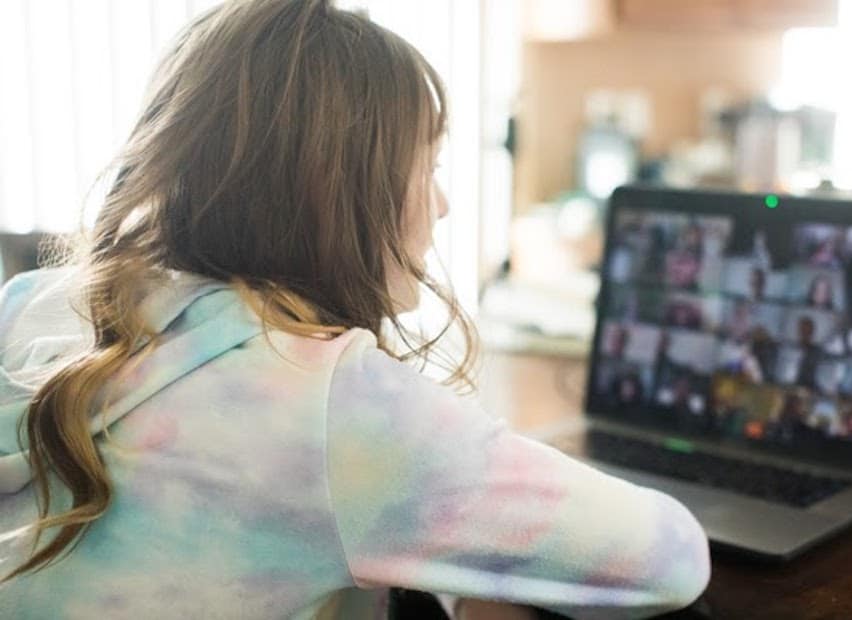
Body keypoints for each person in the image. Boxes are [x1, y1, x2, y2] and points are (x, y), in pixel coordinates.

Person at [0, 2, 709, 618]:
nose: (443, 202)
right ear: (338, 193)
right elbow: (670, 558)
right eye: (427, 168)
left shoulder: (31, 304)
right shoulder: (332, 406)